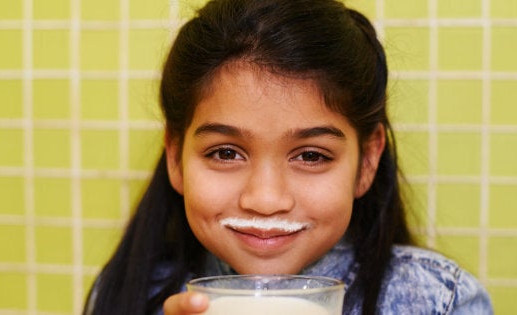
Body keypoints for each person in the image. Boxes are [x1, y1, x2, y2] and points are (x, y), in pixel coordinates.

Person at [83, 0, 493, 314]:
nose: (265, 199)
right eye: (226, 152)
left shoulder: (439, 301)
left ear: (367, 162)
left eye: (311, 156)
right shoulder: (128, 293)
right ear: (175, 158)